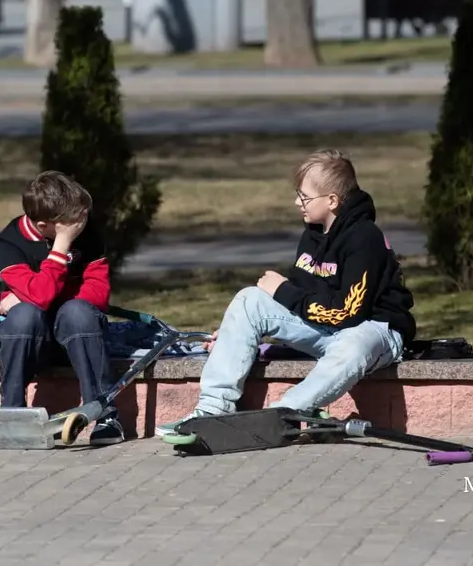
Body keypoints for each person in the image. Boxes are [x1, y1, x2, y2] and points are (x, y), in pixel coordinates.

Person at [156, 150, 416, 436]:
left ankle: (278, 415)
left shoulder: (365, 238)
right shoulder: (312, 234)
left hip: (374, 329)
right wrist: (234, 332)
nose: (297, 202)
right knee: (249, 299)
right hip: (326, 328)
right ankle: (212, 409)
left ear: (332, 200)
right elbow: (302, 294)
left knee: (351, 346)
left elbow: (347, 312)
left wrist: (281, 290)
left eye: (304, 197)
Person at [0, 170, 123, 445]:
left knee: (78, 312)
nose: (82, 224)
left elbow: (98, 294)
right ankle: (11, 414)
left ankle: (105, 414)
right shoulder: (7, 244)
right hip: (33, 343)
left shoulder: (89, 235)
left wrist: (44, 296)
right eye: (74, 222)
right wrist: (61, 247)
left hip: (78, 336)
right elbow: (38, 300)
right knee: (23, 316)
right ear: (43, 225)